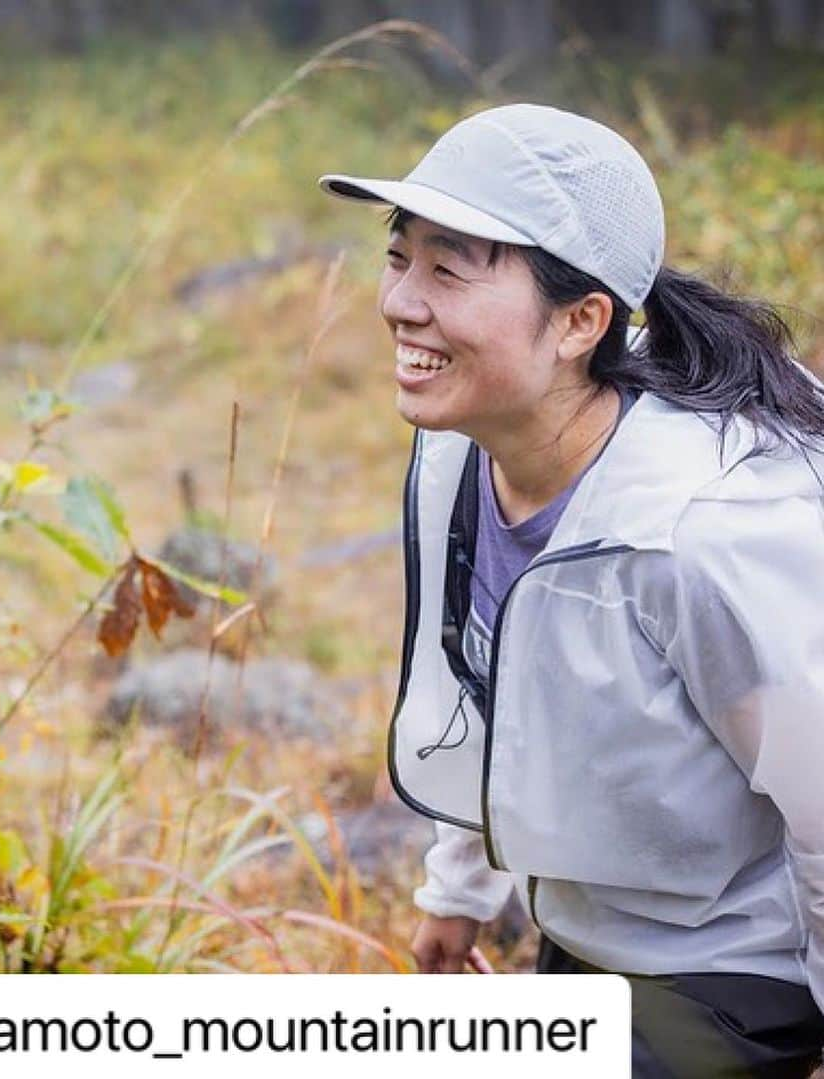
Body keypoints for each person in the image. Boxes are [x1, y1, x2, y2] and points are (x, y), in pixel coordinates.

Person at [318, 103, 824, 1077]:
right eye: (400, 255)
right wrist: (456, 888)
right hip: (587, 936)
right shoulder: (456, 457)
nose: (399, 301)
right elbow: (486, 693)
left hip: (733, 972)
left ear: (580, 322)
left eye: (450, 266)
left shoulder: (695, 530)